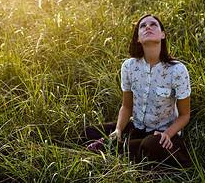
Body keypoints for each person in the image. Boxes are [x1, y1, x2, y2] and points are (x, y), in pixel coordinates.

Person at [80, 14, 192, 168]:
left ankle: (110, 149)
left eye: (153, 24)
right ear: (138, 38)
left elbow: (185, 115)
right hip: (137, 127)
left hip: (162, 135)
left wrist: (168, 134)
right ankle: (126, 149)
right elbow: (127, 106)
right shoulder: (129, 67)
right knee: (89, 133)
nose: (148, 27)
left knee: (150, 145)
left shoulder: (177, 70)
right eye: (142, 26)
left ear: (162, 34)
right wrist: (119, 130)